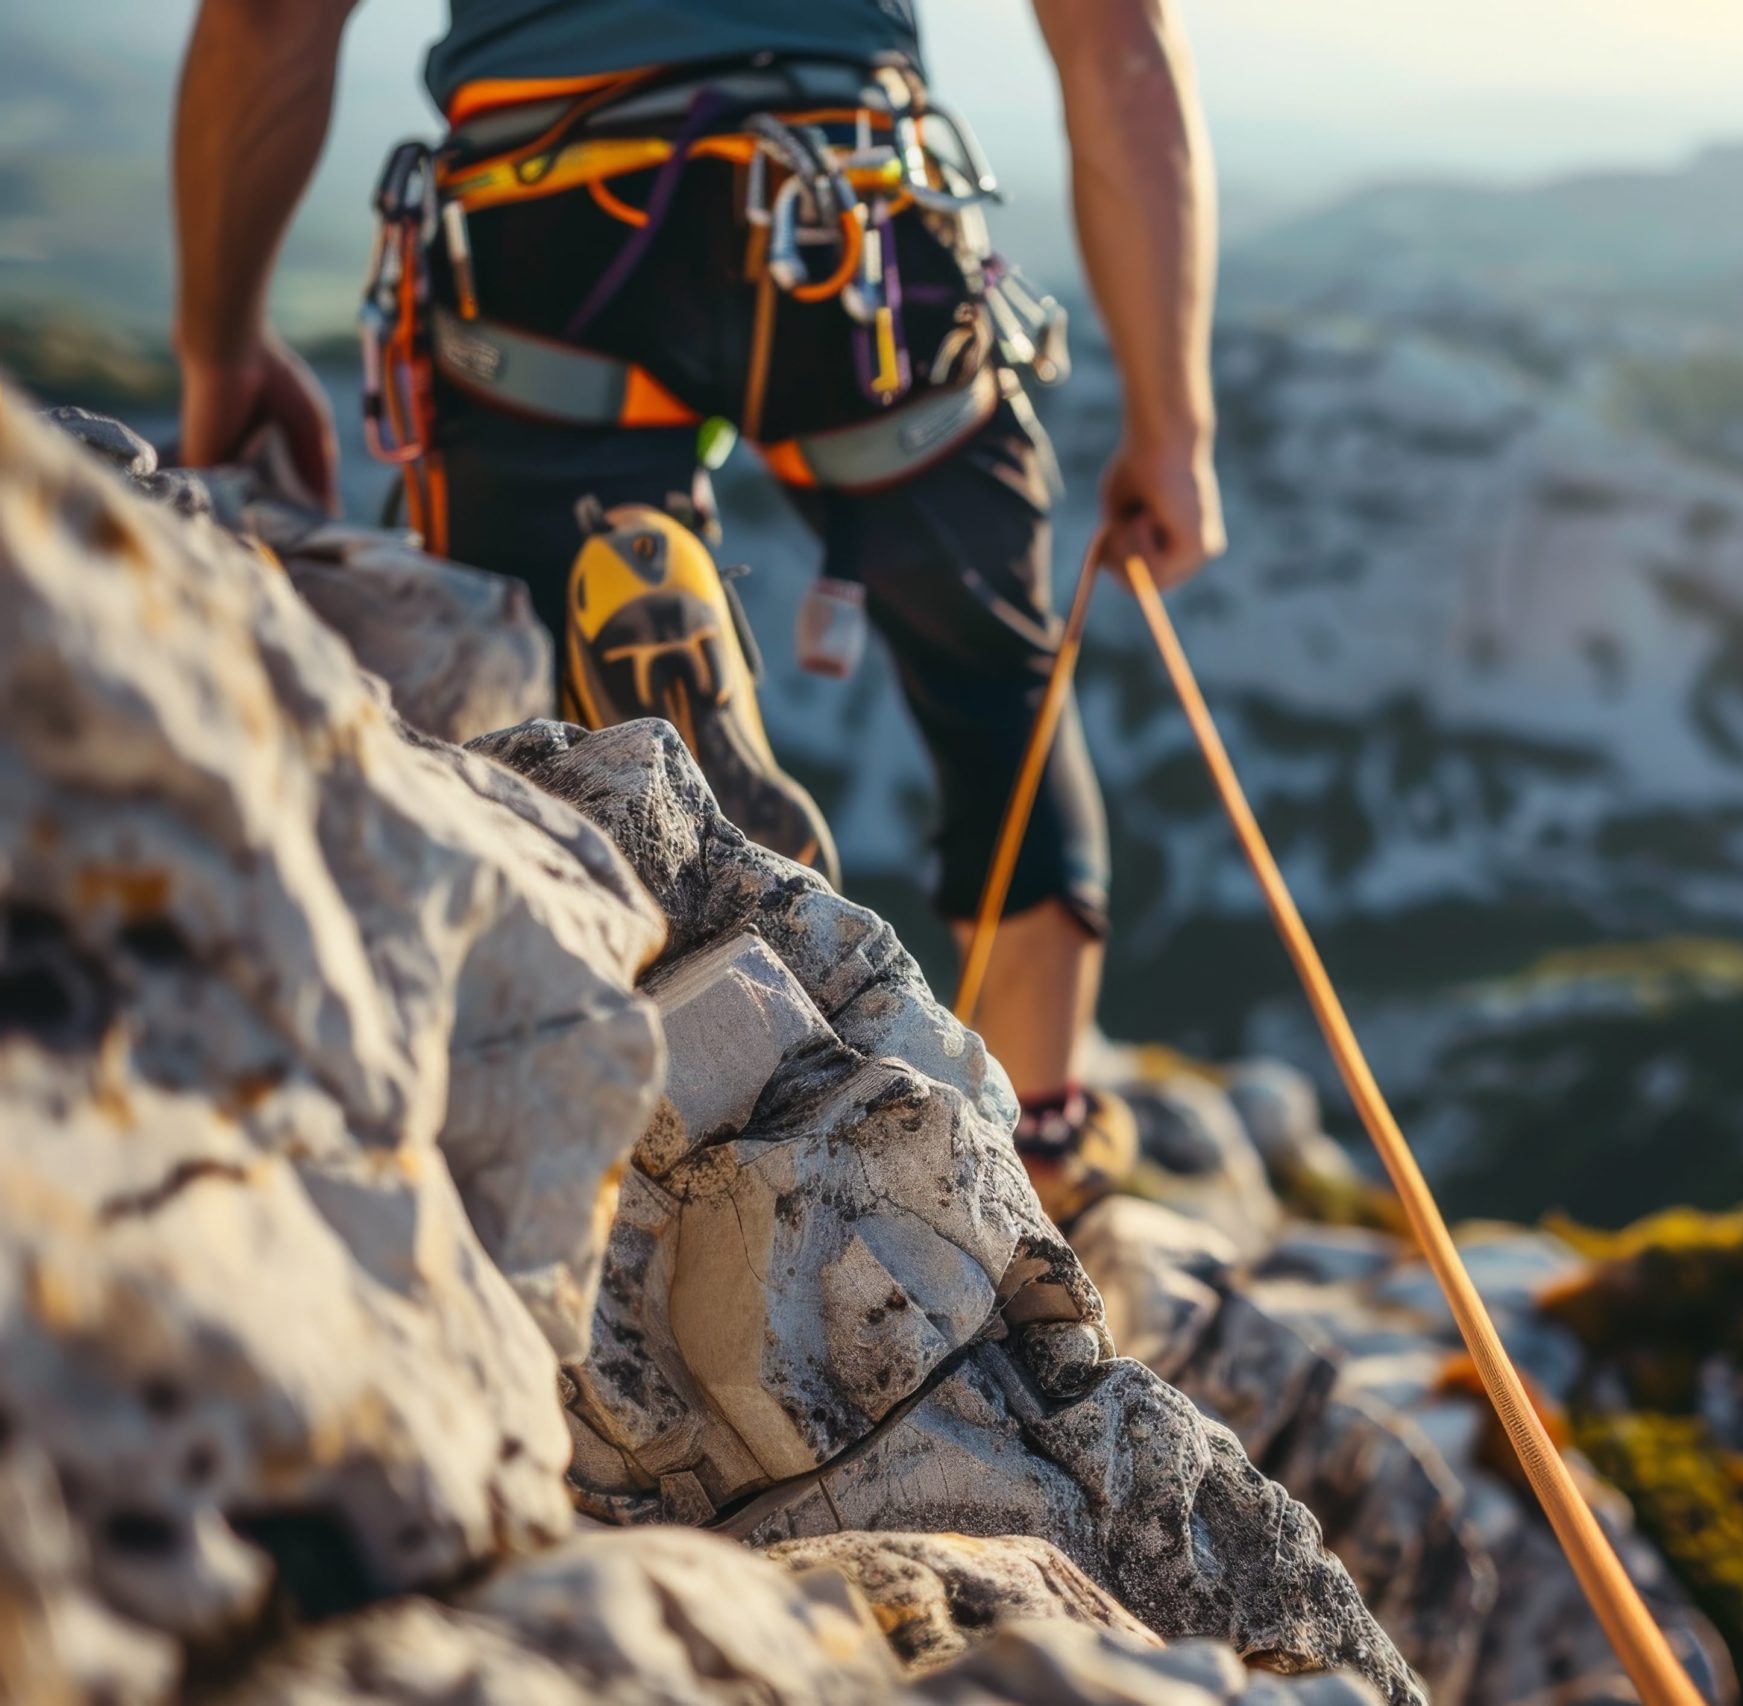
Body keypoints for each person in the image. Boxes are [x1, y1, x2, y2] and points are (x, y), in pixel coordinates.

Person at [170, 0, 1225, 1220]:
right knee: (997, 681)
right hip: (850, 221)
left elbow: (266, 20)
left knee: (543, 736)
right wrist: (1173, 424)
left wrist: (222, 344)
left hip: (545, 218)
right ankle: (1035, 1139)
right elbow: (1115, 38)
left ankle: (635, 654)